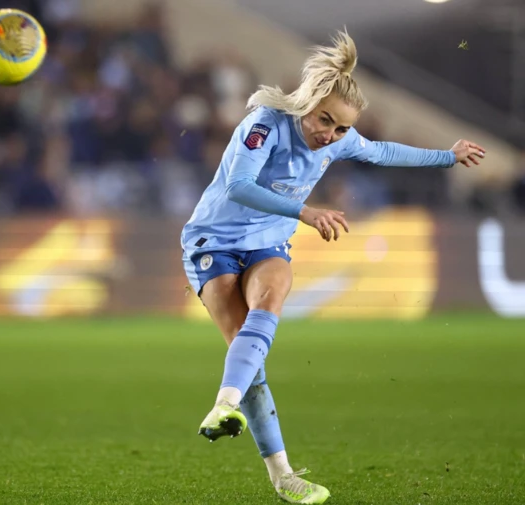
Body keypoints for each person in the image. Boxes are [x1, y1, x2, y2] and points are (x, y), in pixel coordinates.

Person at [180, 30, 485, 504]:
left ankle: (225, 407)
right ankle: (281, 474)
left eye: (342, 129)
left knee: (268, 307)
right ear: (308, 102)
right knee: (250, 361)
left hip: (267, 243)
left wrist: (447, 155)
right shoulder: (265, 124)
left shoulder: (338, 141)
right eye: (326, 121)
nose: (331, 135)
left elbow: (383, 152)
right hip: (213, 240)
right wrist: (306, 211)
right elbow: (239, 186)